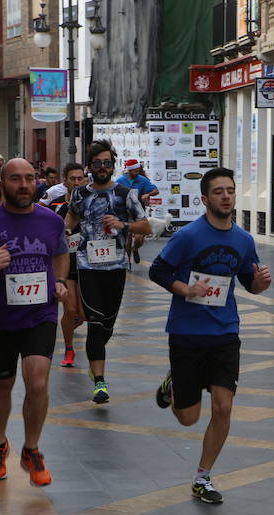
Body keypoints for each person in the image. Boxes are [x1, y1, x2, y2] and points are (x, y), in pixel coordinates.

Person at [150, 167, 272, 504]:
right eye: (218, 191)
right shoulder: (188, 236)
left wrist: (262, 282)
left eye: (230, 190)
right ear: (205, 199)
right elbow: (157, 270)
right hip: (187, 332)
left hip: (224, 331)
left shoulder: (244, 241)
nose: (225, 196)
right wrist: (185, 289)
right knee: (188, 418)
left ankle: (202, 477)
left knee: (223, 407)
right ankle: (173, 385)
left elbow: (252, 283)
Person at [0, 158, 69, 487]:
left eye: (30, 178)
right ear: (1, 183)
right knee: (1, 385)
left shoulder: (51, 221)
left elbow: (61, 252)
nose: (24, 185)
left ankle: (31, 449)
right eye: (16, 179)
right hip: (1, 320)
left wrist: (60, 280)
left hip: (42, 315)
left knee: (37, 382)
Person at [63, 140, 151, 403]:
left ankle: (95, 364)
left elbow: (145, 227)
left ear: (113, 165)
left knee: (107, 325)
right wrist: (66, 231)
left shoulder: (125, 193)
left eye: (107, 163)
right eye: (97, 163)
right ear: (90, 166)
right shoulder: (79, 194)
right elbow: (72, 217)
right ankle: (100, 382)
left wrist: (122, 224)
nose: (102, 167)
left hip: (116, 266)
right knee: (96, 322)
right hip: (87, 265)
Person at [40, 162, 87, 367]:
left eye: (80, 179)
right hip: (65, 264)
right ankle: (69, 350)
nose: (77, 183)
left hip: (88, 263)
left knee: (84, 314)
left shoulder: (91, 201)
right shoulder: (55, 203)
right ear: (64, 179)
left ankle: (69, 327)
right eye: (72, 179)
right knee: (71, 310)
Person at [116, 159, 159, 264]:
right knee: (127, 239)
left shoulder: (142, 180)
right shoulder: (120, 180)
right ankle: (127, 261)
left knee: (139, 238)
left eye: (138, 170)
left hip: (138, 212)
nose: (137, 172)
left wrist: (147, 194)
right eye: (135, 171)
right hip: (125, 212)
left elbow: (156, 190)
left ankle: (135, 249)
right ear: (129, 171)